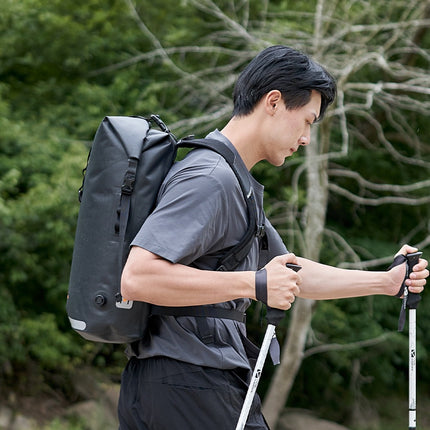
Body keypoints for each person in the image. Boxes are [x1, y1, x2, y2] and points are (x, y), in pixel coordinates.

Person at [118, 45, 428, 430]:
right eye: (308, 121)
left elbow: (290, 272)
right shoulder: (209, 178)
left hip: (189, 380)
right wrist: (254, 284)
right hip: (188, 382)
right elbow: (138, 278)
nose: (306, 139)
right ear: (275, 102)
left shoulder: (234, 180)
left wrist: (385, 282)